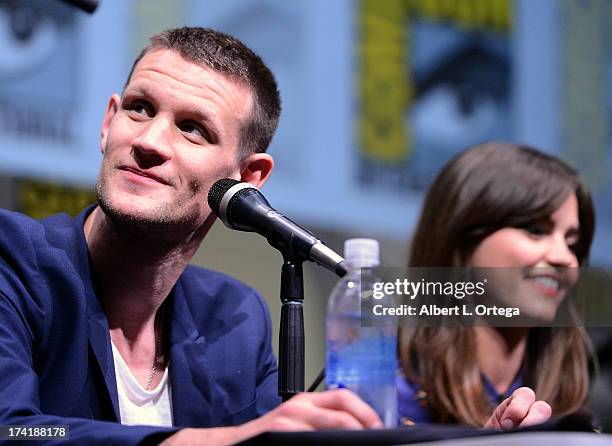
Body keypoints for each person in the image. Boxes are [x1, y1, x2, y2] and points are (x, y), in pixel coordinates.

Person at [0, 28, 550, 445]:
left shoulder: (234, 318)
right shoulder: (13, 257)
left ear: (249, 178)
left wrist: (479, 440)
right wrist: (227, 442)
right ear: (107, 122)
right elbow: (16, 431)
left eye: (192, 128)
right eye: (140, 109)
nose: (149, 141)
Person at [398, 141, 595, 428]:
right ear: (460, 237)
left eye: (572, 244)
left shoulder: (577, 418)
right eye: (535, 230)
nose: (563, 257)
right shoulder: (383, 399)